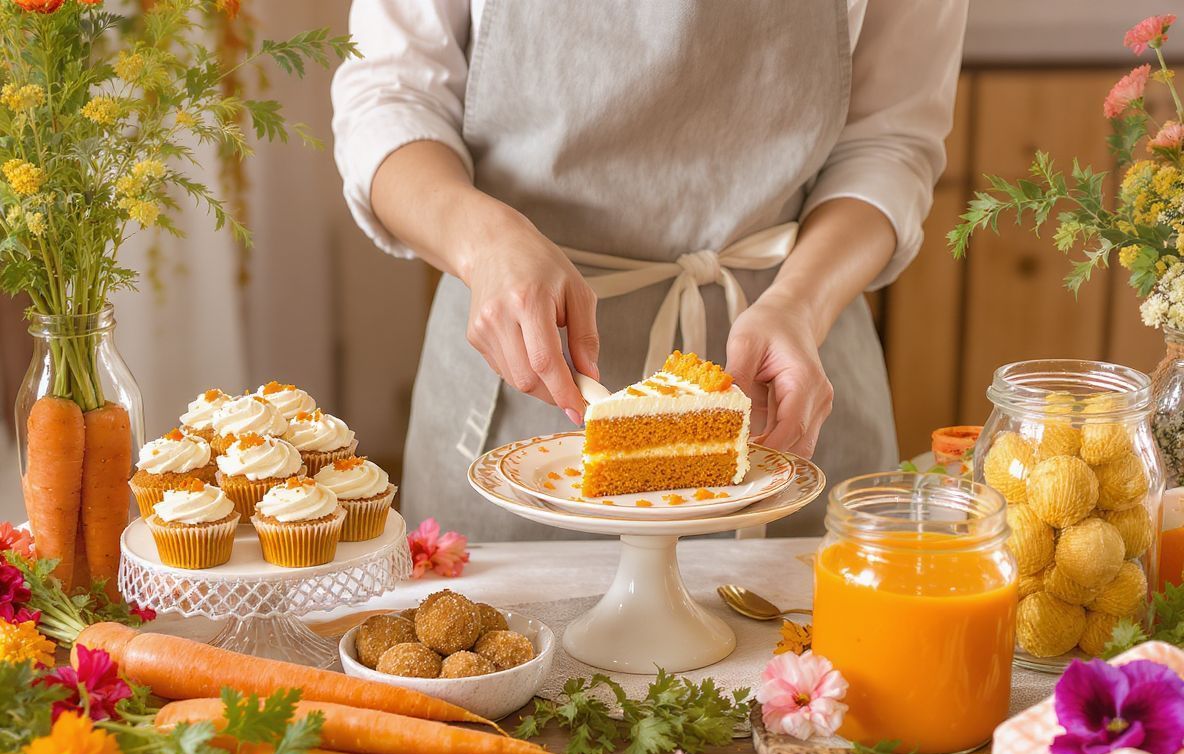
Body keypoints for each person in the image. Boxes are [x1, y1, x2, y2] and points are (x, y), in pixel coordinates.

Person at [332, 0, 968, 539]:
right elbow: (389, 99)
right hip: (518, 390)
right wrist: (483, 241)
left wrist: (801, 302)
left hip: (789, 381)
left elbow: (890, 141)